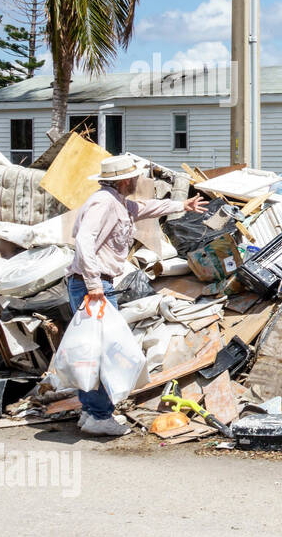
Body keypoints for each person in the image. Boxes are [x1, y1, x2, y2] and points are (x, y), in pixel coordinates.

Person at [65, 155, 208, 436]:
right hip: (92, 286)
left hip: (93, 284)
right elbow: (84, 241)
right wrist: (94, 284)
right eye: (134, 178)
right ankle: (98, 414)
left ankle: (90, 411)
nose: (137, 182)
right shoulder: (103, 203)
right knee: (104, 351)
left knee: (93, 349)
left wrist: (182, 204)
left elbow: (145, 208)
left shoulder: (116, 201)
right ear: (125, 180)